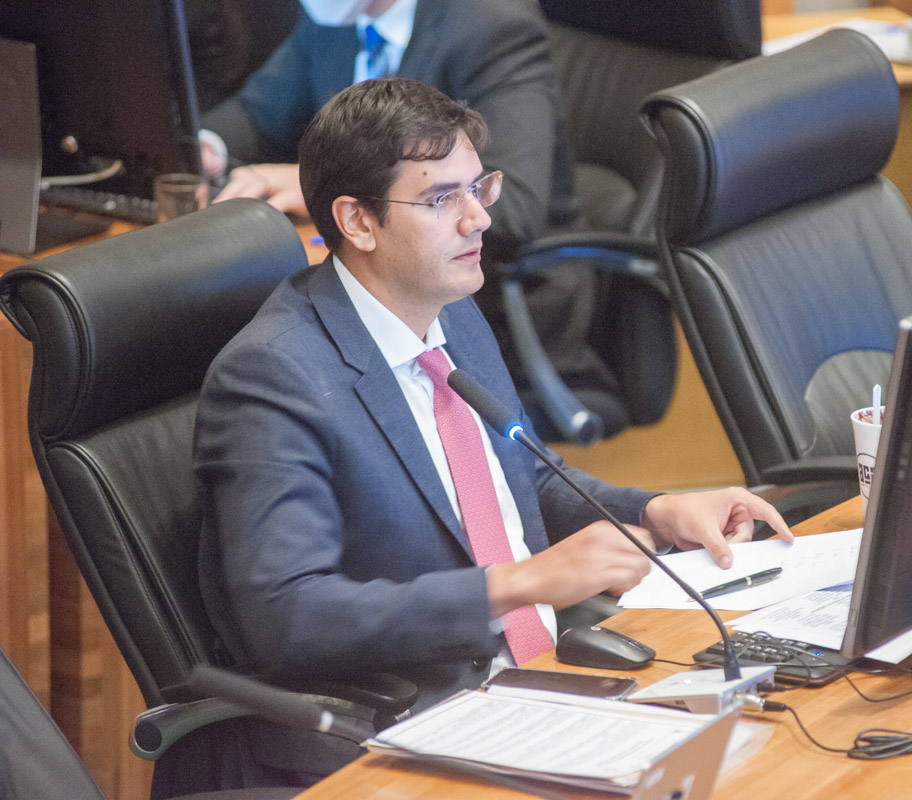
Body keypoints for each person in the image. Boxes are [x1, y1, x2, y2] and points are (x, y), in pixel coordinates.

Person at [192, 77, 791, 790]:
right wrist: (516, 584)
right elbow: (288, 616)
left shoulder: (450, 309)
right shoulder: (274, 374)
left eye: (480, 188)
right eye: (442, 199)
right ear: (357, 221)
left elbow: (517, 477)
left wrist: (654, 511)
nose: (478, 219)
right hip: (388, 736)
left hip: (534, 691)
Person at [200, 0, 609, 435]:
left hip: (493, 295)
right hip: (379, 280)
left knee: (306, 386)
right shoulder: (334, 17)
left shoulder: (493, 25)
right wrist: (203, 147)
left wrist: (323, 187)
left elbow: (514, 206)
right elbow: (258, 112)